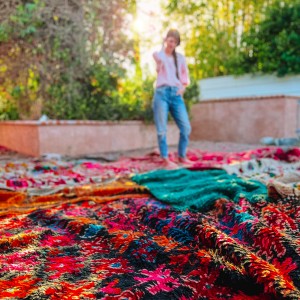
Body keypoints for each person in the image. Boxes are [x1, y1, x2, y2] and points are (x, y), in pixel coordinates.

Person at [152, 29, 192, 168]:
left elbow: (185, 78)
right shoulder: (158, 55)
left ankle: (182, 156)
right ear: (165, 40)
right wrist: (160, 61)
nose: (172, 44)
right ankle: (165, 158)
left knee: (186, 127)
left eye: (175, 42)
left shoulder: (180, 58)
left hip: (175, 94)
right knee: (162, 129)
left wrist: (182, 88)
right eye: (170, 40)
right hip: (161, 93)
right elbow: (158, 68)